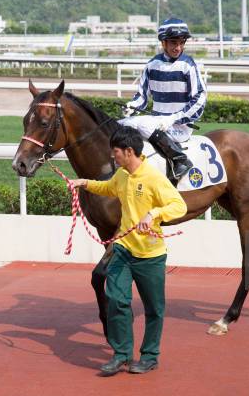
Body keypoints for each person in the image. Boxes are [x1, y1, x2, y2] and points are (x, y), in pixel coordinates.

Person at [71, 126, 187, 376]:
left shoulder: (154, 178)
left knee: (154, 309)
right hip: (123, 250)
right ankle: (121, 354)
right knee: (116, 299)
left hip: (150, 256)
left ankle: (149, 356)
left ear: (129, 151)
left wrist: (154, 213)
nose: (113, 157)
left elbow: (179, 206)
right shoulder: (122, 175)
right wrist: (83, 183)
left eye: (116, 153)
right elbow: (108, 187)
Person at [119, 17, 207, 180]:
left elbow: (200, 97)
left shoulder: (188, 65)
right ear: (163, 43)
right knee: (121, 124)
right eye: (174, 42)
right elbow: (142, 96)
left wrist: (173, 118)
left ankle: (180, 159)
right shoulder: (152, 65)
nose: (178, 47)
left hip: (179, 126)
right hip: (156, 123)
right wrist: (131, 106)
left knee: (145, 125)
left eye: (181, 42)